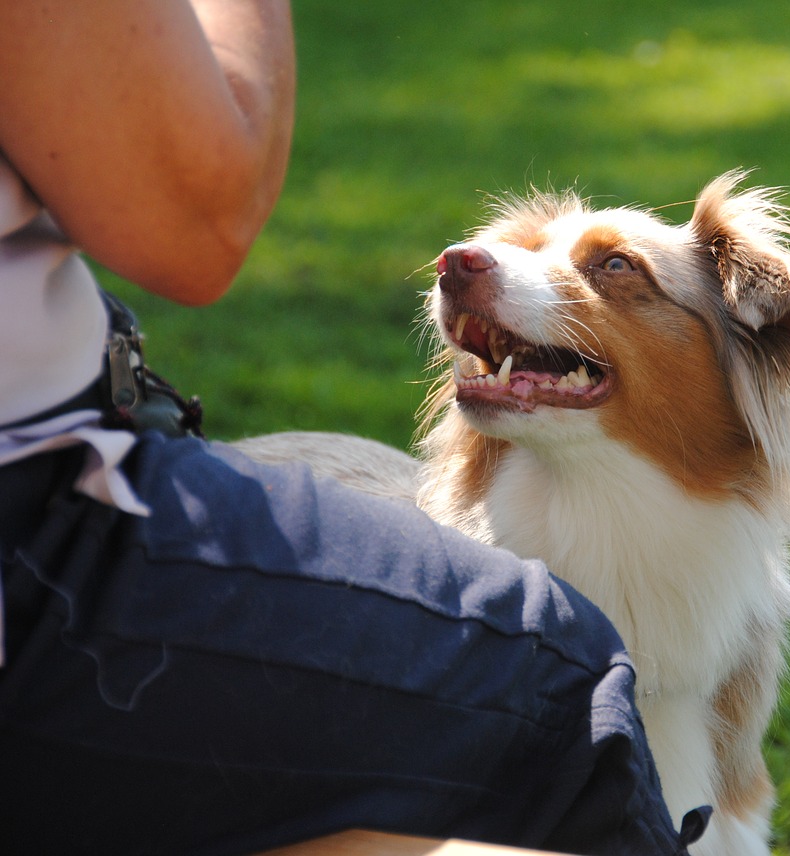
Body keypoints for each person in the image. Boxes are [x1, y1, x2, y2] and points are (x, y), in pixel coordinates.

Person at [0, 3, 704, 854]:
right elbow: (198, 217)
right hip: (41, 507)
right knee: (560, 667)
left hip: (62, 470)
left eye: (613, 269)